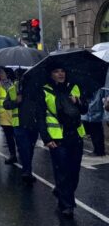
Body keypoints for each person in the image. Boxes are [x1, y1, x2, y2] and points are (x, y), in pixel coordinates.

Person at [37, 63, 88, 217]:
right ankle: (67, 206)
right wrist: (46, 138)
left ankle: (62, 193)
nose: (60, 74)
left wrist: (77, 101)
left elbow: (84, 109)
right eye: (56, 71)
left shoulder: (74, 87)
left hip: (75, 136)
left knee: (74, 172)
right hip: (57, 138)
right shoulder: (45, 90)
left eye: (62, 71)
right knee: (62, 171)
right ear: (50, 74)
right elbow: (40, 116)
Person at [7, 69, 37, 185]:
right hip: (19, 124)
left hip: (32, 123)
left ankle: (27, 168)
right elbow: (6, 104)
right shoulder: (13, 89)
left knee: (30, 148)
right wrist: (16, 101)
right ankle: (27, 171)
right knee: (24, 148)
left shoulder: (35, 88)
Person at [0, 68, 18, 164]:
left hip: (15, 115)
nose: (0, 74)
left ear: (7, 74)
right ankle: (13, 154)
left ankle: (19, 153)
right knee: (9, 137)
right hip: (4, 116)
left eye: (2, 72)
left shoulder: (15, 84)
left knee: (17, 136)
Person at [82, 87, 108, 156]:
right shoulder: (88, 86)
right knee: (94, 131)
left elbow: (101, 100)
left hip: (96, 113)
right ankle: (97, 150)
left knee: (96, 131)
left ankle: (99, 151)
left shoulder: (101, 88)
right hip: (90, 113)